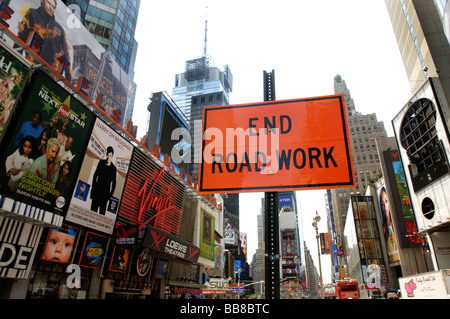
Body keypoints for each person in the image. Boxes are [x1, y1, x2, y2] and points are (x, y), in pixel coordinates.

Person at [16, 0, 73, 81]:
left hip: (47, 74)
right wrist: (16, 57)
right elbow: (21, 36)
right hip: (30, 64)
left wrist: (68, 79)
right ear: (42, 1)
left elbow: (65, 54)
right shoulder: (32, 13)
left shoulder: (59, 29)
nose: (51, 8)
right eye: (49, 3)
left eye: (53, 7)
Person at [90, 146, 117, 215]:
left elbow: (114, 183)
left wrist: (110, 195)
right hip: (97, 192)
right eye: (108, 155)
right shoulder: (101, 163)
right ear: (106, 155)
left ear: (112, 156)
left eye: (110, 155)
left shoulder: (113, 168)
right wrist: (94, 188)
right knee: (92, 212)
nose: (109, 157)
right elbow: (95, 176)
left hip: (105, 195)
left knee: (101, 214)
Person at [379, 186, 400, 262]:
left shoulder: (397, 223)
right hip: (391, 260)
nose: (384, 206)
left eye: (386, 201)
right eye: (382, 203)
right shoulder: (384, 229)